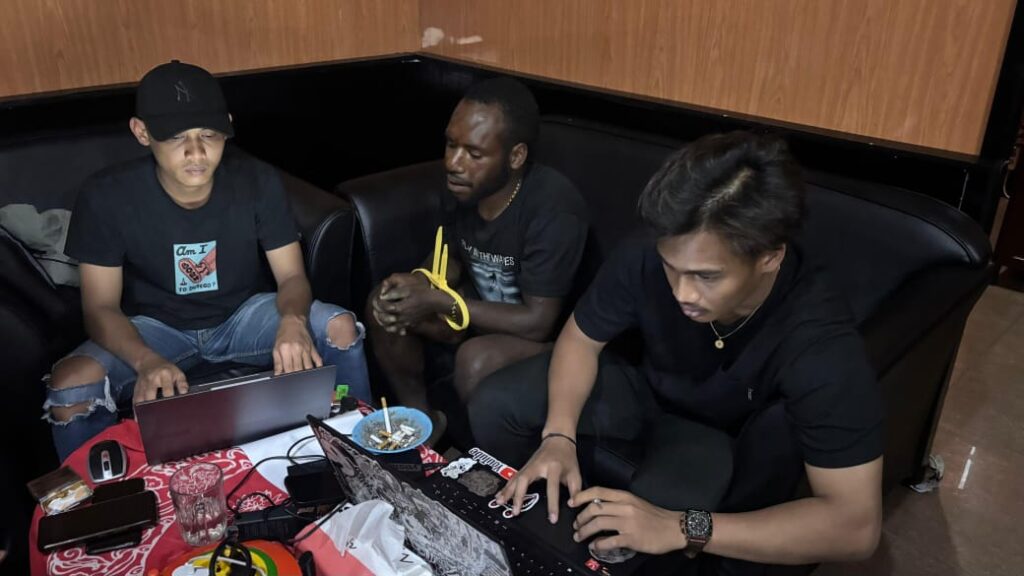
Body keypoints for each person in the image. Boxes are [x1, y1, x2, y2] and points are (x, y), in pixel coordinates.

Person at [471, 132, 884, 570]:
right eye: (672, 267)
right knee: (495, 404)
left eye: (707, 276)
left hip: (717, 436)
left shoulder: (820, 344)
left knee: (661, 510)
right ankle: (528, 534)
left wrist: (682, 527)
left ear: (769, 257)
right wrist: (558, 436)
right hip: (642, 387)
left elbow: (855, 528)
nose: (683, 293)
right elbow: (580, 339)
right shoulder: (647, 254)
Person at [43, 61, 370, 461]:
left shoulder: (257, 180)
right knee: (71, 383)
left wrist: (293, 321)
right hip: (154, 327)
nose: (196, 152)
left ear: (228, 127)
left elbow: (291, 277)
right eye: (176, 136)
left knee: (339, 327)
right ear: (142, 132)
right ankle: (100, 498)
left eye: (209, 135)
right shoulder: (106, 195)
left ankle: (361, 452)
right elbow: (99, 308)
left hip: (243, 316)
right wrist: (146, 360)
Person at [366, 78, 588, 433]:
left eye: (474, 153)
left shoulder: (553, 209)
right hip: (476, 315)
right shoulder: (463, 189)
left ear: (515, 156)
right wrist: (417, 285)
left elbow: (538, 322)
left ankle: (481, 457)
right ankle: (423, 427)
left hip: (553, 342)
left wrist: (437, 301)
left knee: (475, 360)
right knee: (385, 303)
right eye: (451, 144)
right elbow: (450, 258)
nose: (453, 163)